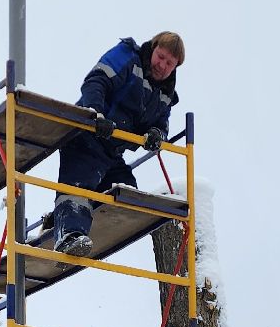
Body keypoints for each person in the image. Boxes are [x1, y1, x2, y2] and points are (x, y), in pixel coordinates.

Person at [51, 31, 184, 256]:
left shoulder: (165, 95)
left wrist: (156, 135)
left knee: (126, 194)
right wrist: (96, 114)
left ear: (176, 67)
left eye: (169, 63)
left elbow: (162, 125)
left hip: (112, 151)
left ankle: (61, 224)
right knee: (78, 187)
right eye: (160, 57)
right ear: (153, 48)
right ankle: (68, 236)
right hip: (86, 136)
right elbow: (97, 80)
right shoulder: (128, 57)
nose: (162, 65)